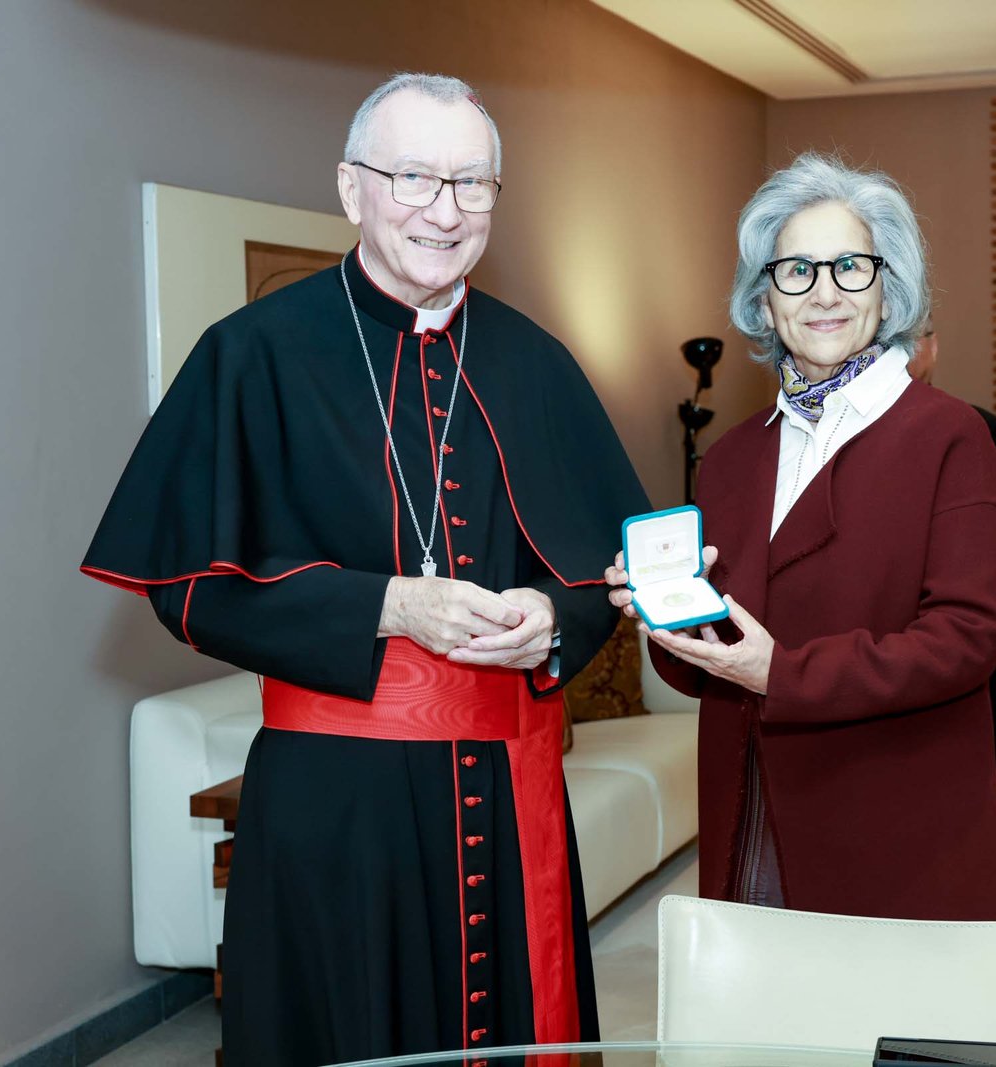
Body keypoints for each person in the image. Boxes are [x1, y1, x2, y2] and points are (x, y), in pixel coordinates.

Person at [82, 73, 647, 1065]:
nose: (445, 210)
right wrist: (385, 605)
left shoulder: (536, 361)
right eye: (414, 177)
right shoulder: (253, 354)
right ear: (351, 189)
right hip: (336, 803)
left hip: (510, 793)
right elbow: (187, 587)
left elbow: (608, 565)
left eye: (472, 183)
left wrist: (554, 616)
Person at [607, 153, 996, 920]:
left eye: (850, 267)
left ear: (888, 289)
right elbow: (713, 659)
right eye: (796, 271)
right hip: (749, 810)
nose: (824, 292)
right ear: (764, 303)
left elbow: (966, 639)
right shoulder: (731, 459)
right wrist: (665, 611)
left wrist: (784, 673)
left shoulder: (952, 437)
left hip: (895, 814)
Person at [909, 328, 996, 921]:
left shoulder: (976, 431)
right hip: (857, 671)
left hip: (955, 665)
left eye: (912, 336)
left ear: (933, 346)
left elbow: (992, 561)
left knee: (989, 846)